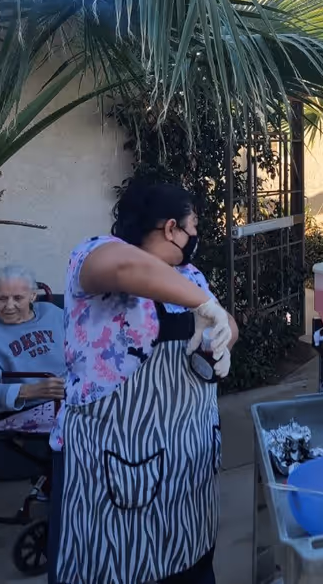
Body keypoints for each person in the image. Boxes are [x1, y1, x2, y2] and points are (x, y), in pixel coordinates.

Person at [48, 182, 238, 584]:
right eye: (194, 226)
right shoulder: (95, 254)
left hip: (186, 469)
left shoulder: (189, 274)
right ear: (172, 228)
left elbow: (224, 319)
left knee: (188, 566)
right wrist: (203, 306)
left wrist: (223, 337)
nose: (195, 236)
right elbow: (127, 269)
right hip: (112, 470)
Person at [0, 265, 65, 434]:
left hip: (69, 400)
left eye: (18, 298)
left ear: (32, 296)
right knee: (82, 425)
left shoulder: (52, 314)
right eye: (1, 299)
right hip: (16, 413)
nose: (9, 306)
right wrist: (27, 391)